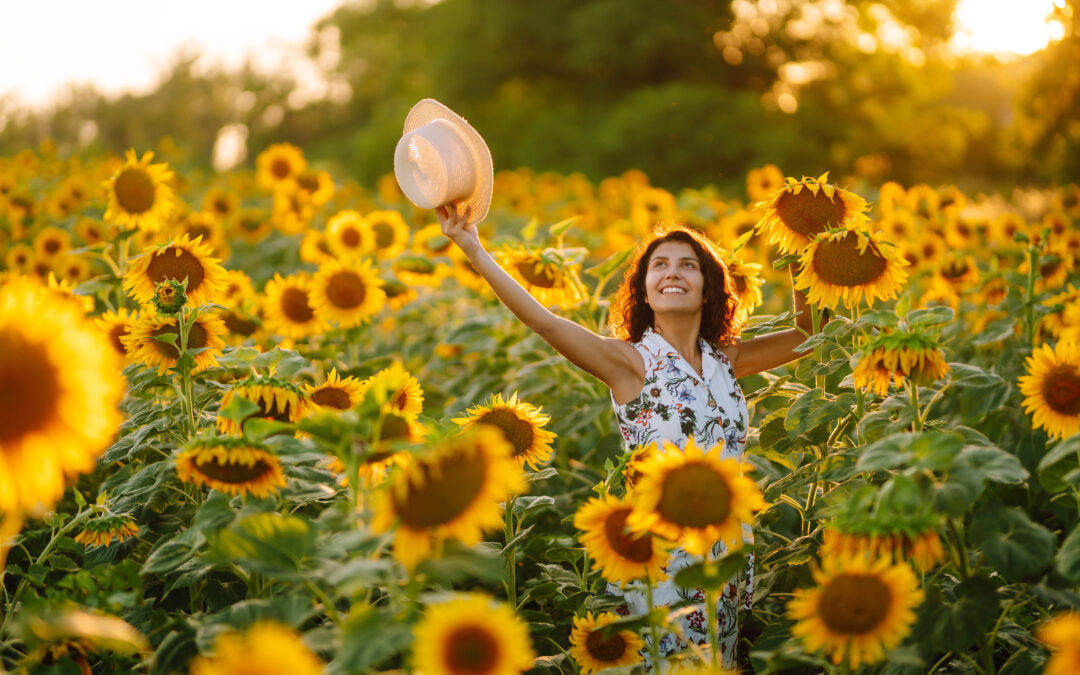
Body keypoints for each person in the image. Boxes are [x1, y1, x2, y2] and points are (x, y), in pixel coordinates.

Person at [435, 202, 822, 669]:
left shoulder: (727, 361)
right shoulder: (629, 363)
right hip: (657, 556)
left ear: (707, 289)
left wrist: (803, 244)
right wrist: (474, 249)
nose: (671, 273)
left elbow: (809, 331)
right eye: (658, 265)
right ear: (644, 289)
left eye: (687, 265)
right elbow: (546, 322)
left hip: (726, 554)